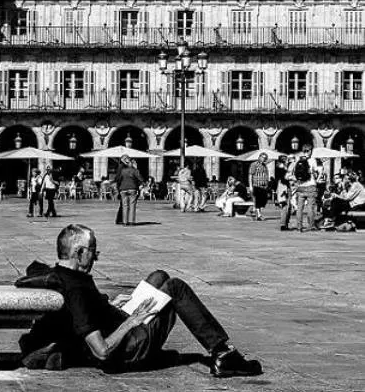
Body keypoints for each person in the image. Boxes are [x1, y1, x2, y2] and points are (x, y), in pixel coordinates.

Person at [14, 223, 262, 378]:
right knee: (175, 287)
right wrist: (132, 320)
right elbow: (101, 352)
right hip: (130, 346)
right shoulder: (75, 289)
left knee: (159, 277)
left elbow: (32, 272)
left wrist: (108, 304)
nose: (96, 257)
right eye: (93, 251)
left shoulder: (64, 273)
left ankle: (209, 352)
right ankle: (222, 355)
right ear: (79, 253)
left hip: (118, 318)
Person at [290, 147, 318, 232]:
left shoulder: (298, 161)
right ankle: (311, 225)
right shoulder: (313, 160)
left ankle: (299, 226)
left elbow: (294, 173)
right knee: (310, 207)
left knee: (299, 208)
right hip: (311, 186)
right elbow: (316, 172)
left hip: (301, 187)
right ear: (310, 151)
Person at [115, 155, 143, 226]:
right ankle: (131, 222)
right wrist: (136, 169)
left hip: (123, 189)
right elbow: (141, 179)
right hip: (132, 188)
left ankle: (125, 222)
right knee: (132, 205)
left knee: (125, 206)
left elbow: (118, 179)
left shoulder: (122, 171)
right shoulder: (134, 170)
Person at [247, 154, 271, 221]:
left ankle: (254, 210)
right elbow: (250, 175)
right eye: (263, 157)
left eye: (265, 158)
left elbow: (266, 175)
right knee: (258, 200)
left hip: (264, 186)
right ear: (259, 157)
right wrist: (250, 186)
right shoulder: (254, 164)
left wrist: (267, 184)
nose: (264, 159)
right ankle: (259, 215)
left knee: (264, 201)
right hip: (256, 185)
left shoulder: (265, 165)